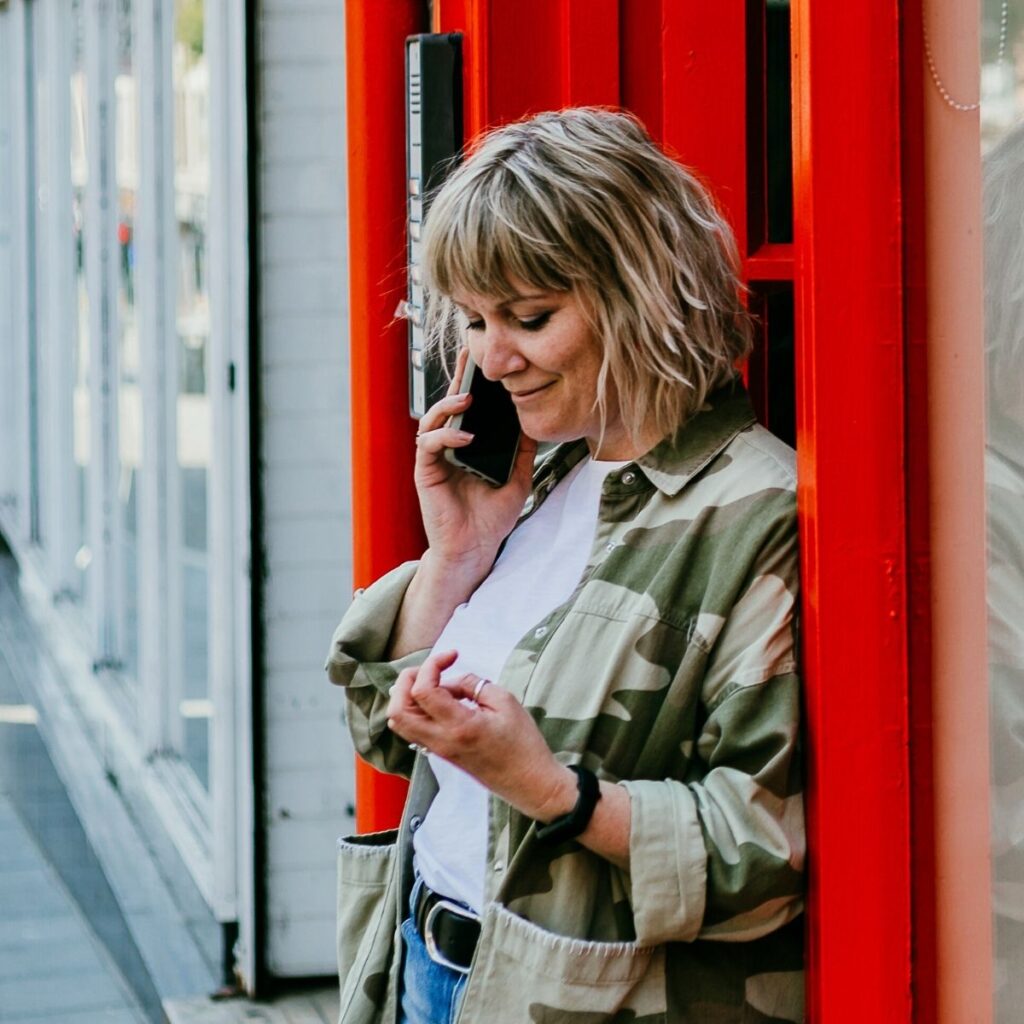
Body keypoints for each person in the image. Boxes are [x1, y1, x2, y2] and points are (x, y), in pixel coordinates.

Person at [325, 107, 804, 1024]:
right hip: (422, 963)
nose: (492, 359)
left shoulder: (753, 510)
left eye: (531, 318)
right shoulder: (543, 472)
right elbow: (387, 737)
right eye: (472, 321)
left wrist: (551, 790)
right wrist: (455, 559)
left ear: (640, 294)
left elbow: (764, 853)